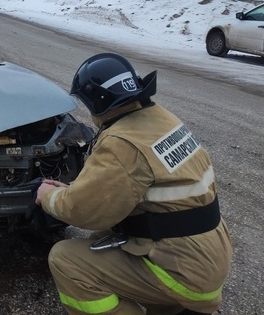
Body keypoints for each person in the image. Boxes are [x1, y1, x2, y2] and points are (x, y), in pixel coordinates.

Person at [35, 53, 232, 315]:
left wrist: (48, 195)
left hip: (185, 270)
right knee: (101, 239)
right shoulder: (161, 119)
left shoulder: (122, 142)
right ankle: (172, 308)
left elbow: (81, 211)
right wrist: (77, 193)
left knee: (66, 259)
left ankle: (175, 299)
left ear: (96, 102)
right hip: (207, 252)